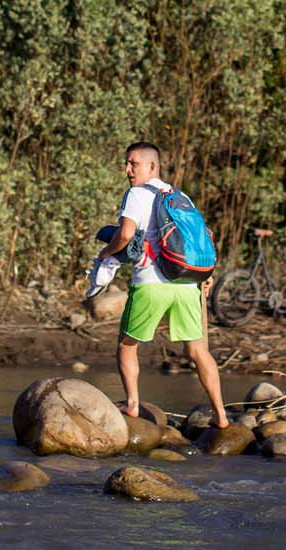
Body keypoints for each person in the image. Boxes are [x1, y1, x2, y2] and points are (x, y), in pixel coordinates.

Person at [96, 141, 230, 428]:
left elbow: (125, 234)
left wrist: (104, 254)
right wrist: (206, 276)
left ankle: (132, 404)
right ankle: (221, 416)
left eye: (134, 163)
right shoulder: (181, 196)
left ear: (152, 166)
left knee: (126, 345)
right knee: (198, 351)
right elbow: (201, 239)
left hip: (151, 284)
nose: (128, 169)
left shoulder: (136, 194)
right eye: (127, 163)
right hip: (187, 285)